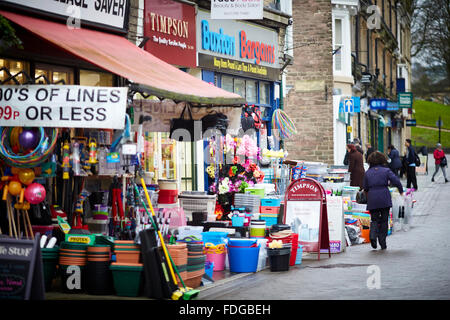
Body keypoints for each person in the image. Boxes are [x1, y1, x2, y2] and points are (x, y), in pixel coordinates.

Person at [363, 151, 404, 250]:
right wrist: (401, 191)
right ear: (382, 160)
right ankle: (382, 241)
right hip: (384, 197)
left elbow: (365, 187)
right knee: (384, 220)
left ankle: (373, 236)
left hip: (372, 197)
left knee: (374, 219)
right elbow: (396, 181)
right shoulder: (386, 171)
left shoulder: (368, 173)